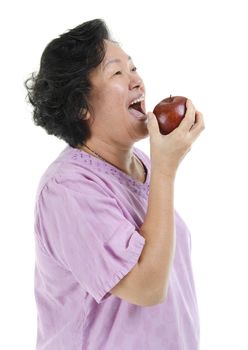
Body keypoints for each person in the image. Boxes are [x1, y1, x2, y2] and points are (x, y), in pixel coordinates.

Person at [24, 18, 205, 350]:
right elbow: (147, 288)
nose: (137, 80)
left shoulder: (144, 166)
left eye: (133, 67)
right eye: (117, 73)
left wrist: (160, 167)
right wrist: (166, 168)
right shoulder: (67, 189)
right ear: (80, 106)